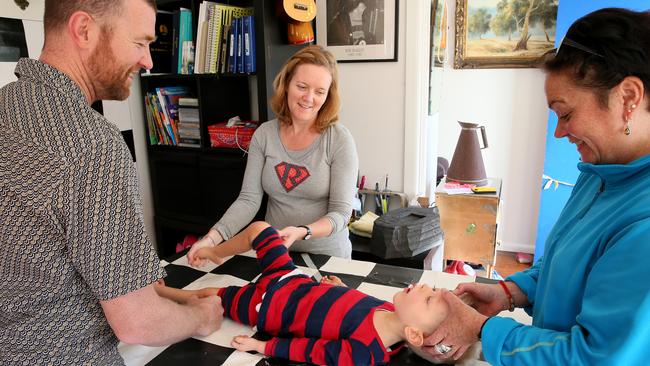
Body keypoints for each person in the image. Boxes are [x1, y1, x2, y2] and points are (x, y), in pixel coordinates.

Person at [421, 8, 650, 364]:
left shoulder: (643, 222)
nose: (559, 132)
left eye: (566, 113)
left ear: (629, 98)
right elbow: (563, 265)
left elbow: (596, 356)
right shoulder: (598, 174)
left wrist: (482, 330)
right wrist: (511, 292)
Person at [0, 0, 223, 364]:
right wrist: (202, 317)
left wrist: (181, 299)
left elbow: (61, 271)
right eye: (139, 43)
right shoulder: (90, 144)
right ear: (84, 30)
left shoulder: (7, 108)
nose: (148, 61)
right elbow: (140, 323)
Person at [157, 221, 451, 365]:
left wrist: (262, 347)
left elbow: (312, 351)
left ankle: (167, 293)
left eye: (428, 298)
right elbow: (353, 306)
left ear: (413, 334)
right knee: (261, 229)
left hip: (266, 307)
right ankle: (212, 250)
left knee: (214, 296)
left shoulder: (367, 351)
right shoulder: (390, 310)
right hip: (290, 278)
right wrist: (339, 290)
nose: (425, 287)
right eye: (432, 288)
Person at [188, 45, 358, 262]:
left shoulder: (339, 139)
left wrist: (302, 231)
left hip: (328, 257)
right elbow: (248, 200)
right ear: (286, 84)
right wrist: (211, 239)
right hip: (275, 253)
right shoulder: (264, 135)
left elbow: (341, 214)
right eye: (302, 86)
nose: (309, 98)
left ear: (328, 96)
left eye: (319, 91)